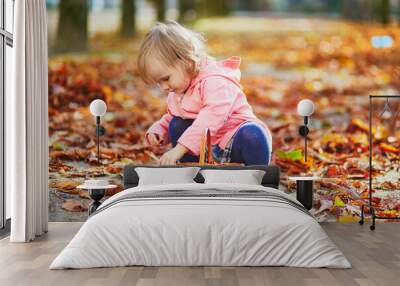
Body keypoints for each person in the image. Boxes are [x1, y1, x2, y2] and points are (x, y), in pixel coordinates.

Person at [137, 21, 272, 166]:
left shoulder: (215, 81)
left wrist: (180, 148)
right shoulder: (178, 91)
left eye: (166, 79)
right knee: (177, 123)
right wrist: (160, 130)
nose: (163, 87)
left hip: (233, 142)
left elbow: (212, 117)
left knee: (253, 134)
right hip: (205, 149)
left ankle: (258, 176)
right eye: (159, 83)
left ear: (187, 61)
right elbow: (173, 116)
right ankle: (192, 171)